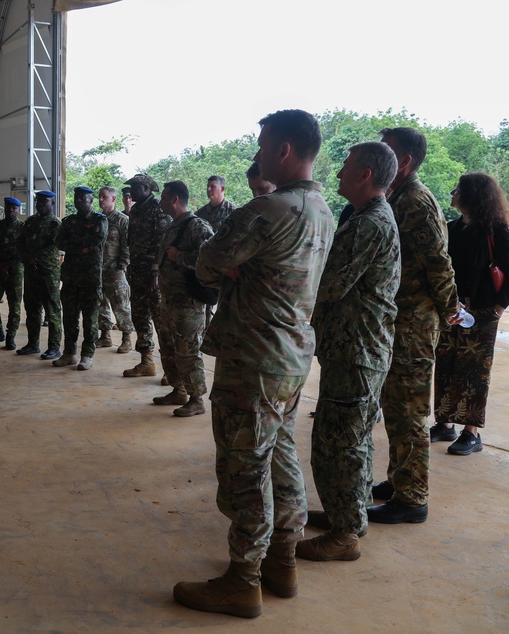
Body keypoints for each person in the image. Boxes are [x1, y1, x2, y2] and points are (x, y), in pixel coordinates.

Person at [174, 109, 334, 618]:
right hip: (291, 356)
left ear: (284, 150)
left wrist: (235, 267)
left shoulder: (267, 209)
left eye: (264, 145)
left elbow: (205, 263)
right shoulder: (323, 209)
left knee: (245, 466)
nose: (258, 153)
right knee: (281, 458)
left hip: (253, 357)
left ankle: (243, 580)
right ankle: (282, 562)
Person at [298, 142, 401, 562]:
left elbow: (329, 285)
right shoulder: (367, 217)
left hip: (356, 350)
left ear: (365, 175)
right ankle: (349, 515)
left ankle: (345, 534)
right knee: (352, 438)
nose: (338, 172)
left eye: (346, 166)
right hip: (356, 348)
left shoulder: (367, 225)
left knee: (338, 443)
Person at [369, 127, 458, 525]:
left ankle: (412, 498)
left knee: (409, 411)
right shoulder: (397, 196)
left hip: (415, 324)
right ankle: (399, 478)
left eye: (386, 152)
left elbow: (439, 263)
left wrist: (452, 310)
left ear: (403, 161)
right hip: (398, 319)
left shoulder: (417, 201)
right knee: (395, 407)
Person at [431, 173, 509, 455]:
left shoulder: (494, 230)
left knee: (473, 372)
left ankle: (471, 433)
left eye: (457, 189)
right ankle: (445, 423)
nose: (452, 192)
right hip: (452, 309)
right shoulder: (453, 227)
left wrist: (496, 309)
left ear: (472, 194)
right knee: (445, 364)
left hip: (481, 311)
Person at [153, 181, 214, 417]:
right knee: (168, 348)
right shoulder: (172, 226)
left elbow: (208, 258)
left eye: (165, 197)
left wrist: (180, 256)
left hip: (188, 303)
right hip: (169, 300)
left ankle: (196, 398)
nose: (161, 201)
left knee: (188, 350)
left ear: (175, 199)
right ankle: (178, 390)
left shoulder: (197, 226)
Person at [53, 186, 108, 370]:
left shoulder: (99, 220)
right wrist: (80, 244)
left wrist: (74, 243)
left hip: (90, 278)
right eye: (76, 198)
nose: (78, 201)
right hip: (70, 277)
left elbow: (95, 241)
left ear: (90, 200)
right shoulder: (69, 221)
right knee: (69, 317)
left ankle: (87, 354)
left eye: (82, 199)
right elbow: (59, 242)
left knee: (90, 319)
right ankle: (69, 353)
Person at [123, 173, 170, 378]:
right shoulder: (135, 210)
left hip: (153, 275)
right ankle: (147, 362)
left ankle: (171, 369)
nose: (131, 192)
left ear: (146, 189)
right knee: (140, 316)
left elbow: (162, 244)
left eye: (134, 187)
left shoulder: (159, 209)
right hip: (137, 272)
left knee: (161, 320)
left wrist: (155, 272)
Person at [16, 190, 63, 360]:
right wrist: (26, 258)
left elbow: (54, 247)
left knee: (52, 311)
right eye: (38, 201)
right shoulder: (30, 222)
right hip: (31, 272)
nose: (40, 204)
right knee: (32, 309)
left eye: (44, 202)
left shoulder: (55, 224)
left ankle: (54, 348)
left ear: (52, 204)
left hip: (48, 273)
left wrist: (33, 257)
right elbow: (20, 242)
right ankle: (32, 344)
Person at [96, 186, 134, 354]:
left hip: (115, 270)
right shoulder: (97, 219)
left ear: (113, 199)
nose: (101, 200)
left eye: (104, 197)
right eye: (99, 197)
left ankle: (127, 339)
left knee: (121, 305)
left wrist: (122, 265)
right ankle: (105, 336)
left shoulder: (122, 220)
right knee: (101, 304)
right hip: (98, 269)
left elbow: (127, 244)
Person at [0, 197, 25, 350]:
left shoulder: (23, 227)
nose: (11, 211)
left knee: (14, 305)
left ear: (19, 210)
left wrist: (8, 265)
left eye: (14, 208)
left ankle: (10, 336)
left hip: (15, 271)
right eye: (8, 208)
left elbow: (25, 250)